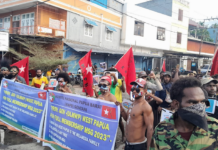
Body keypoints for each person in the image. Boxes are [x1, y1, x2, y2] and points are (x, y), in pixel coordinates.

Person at [150, 77, 218, 150]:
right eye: (193, 102)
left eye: (202, 102)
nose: (200, 106)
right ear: (176, 104)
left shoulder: (215, 127)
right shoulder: (161, 130)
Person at [116, 78, 154, 150]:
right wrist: (122, 109)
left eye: (137, 89)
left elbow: (150, 128)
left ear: (145, 91)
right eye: (133, 88)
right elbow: (128, 119)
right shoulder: (133, 103)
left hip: (138, 146)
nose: (134, 91)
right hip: (128, 144)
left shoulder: (145, 107)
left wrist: (148, 148)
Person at [115, 76, 126, 142]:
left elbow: (124, 90)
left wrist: (122, 82)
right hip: (109, 104)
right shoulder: (107, 81)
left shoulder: (119, 80)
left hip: (117, 104)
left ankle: (123, 134)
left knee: (119, 120)